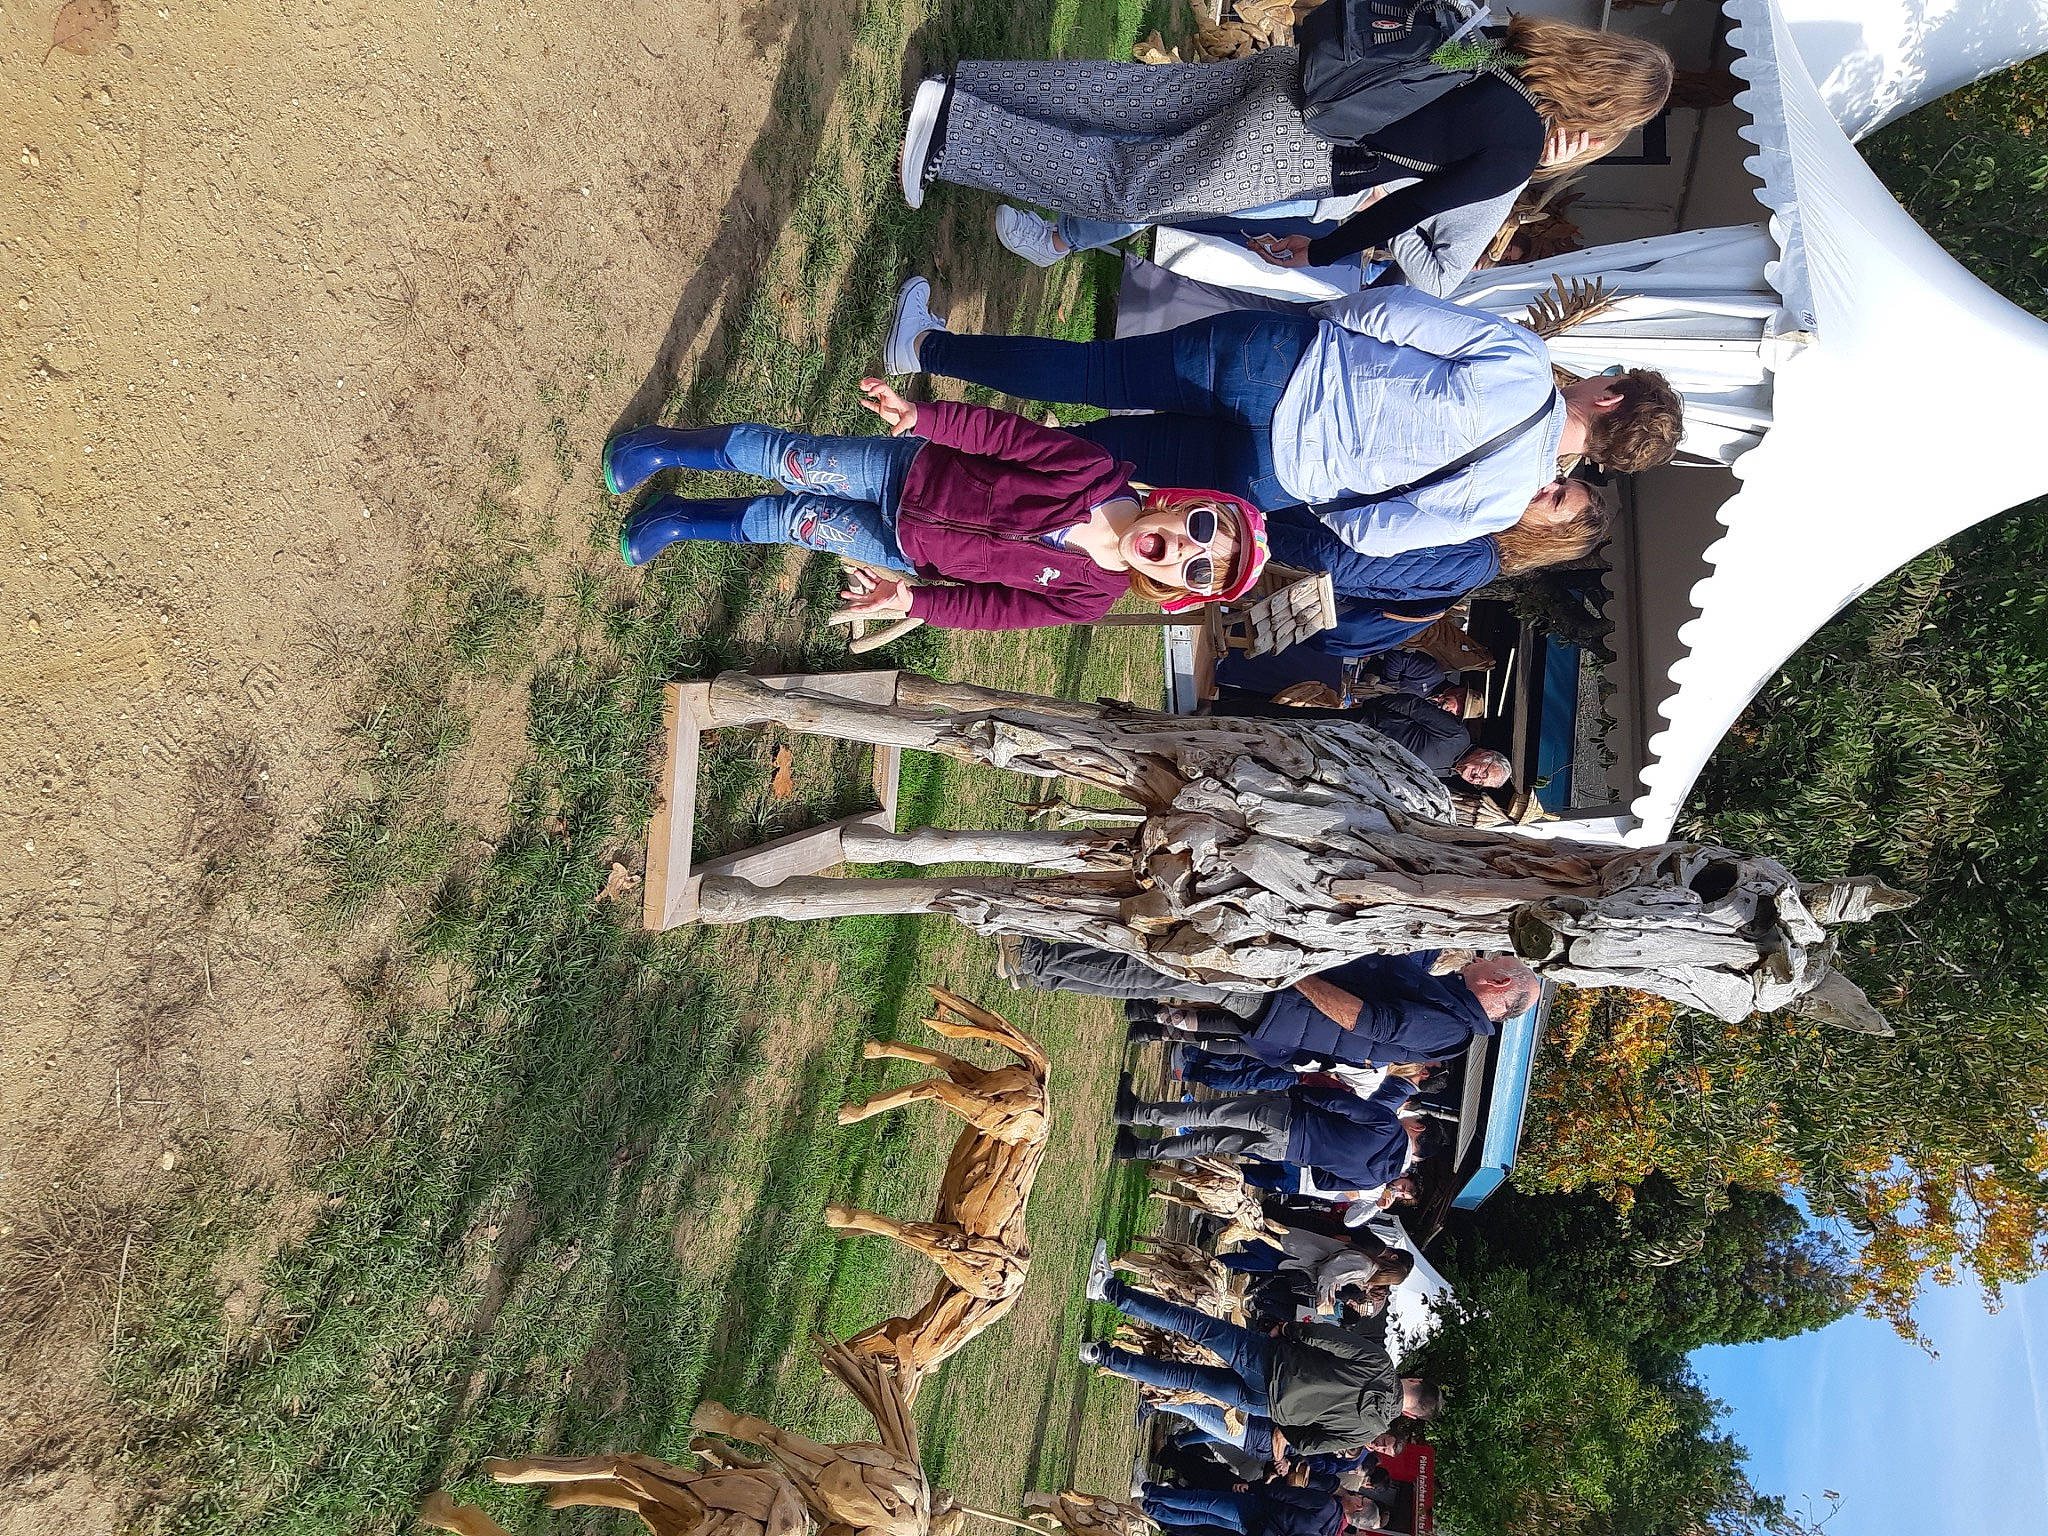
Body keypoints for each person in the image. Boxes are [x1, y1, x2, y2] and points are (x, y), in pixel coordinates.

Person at [883, 279, 1681, 550]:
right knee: (1096, 466)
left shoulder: (1523, 362)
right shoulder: (1507, 503)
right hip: (1275, 474)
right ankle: (921, 481)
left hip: (1279, 363)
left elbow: (1395, 312)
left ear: (1607, 398)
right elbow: (1374, 532)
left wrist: (1327, 321)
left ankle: (923, 349)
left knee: (1097, 371)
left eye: (1609, 376)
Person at [899, 17, 1672, 276]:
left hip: (1299, 77)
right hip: (1305, 146)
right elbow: (1412, 208)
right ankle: (953, 130)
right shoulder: (1516, 150)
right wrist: (1320, 254)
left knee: (1130, 97)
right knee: (1131, 189)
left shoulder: (1503, 45)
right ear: (1602, 116)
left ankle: (971, 86)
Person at [603, 380, 1267, 631]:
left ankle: (680, 518)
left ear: (1182, 589)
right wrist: (921, 416)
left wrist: (910, 601)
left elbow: (993, 611)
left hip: (904, 549)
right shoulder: (1091, 472)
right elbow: (1000, 435)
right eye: (1203, 530)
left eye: (1202, 570)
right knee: (791, 460)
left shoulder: (1090, 596)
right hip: (908, 469)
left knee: (793, 521)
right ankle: (661, 448)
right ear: (1183, 506)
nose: (1187, 551)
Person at [1080, 1247, 1441, 1461]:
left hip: (1274, 1362)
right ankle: (1102, 1356)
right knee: (1188, 1379)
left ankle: (1110, 1291)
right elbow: (1307, 1444)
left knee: (1196, 1326)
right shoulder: (1366, 1431)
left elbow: (1331, 1340)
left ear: (1415, 1381)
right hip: (1267, 1405)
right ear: (1411, 1413)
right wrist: (1286, 1419)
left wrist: (1289, 1329)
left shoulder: (1382, 1365)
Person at [1132, 951, 1539, 1071]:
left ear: (1499, 982)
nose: (1486, 957)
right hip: (1287, 1012)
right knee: (1178, 986)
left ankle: (1069, 968)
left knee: (1161, 976)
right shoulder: (1449, 1000)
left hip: (1284, 1006)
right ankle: (1153, 1020)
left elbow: (1366, 1020)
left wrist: (1298, 975)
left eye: (1498, 959)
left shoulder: (1452, 1031)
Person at [1112, 1072, 1437, 1198]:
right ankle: (1139, 1149)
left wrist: (1303, 1095)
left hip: (1293, 1118)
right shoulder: (1372, 1182)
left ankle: (1137, 1113)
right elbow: (1324, 1182)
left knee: (1208, 1113)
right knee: (1211, 1141)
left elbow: (1343, 1104)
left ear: (1418, 1129)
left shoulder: (1389, 1128)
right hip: (1290, 1152)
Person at [1137, 1481, 1382, 1536]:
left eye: (1358, 1497)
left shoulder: (1327, 1505)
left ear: (1358, 1507)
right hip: (1254, 1529)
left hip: (1258, 1508)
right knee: (1200, 1517)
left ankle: (1147, 1491)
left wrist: (1255, 1487)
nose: (1354, 1494)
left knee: (1202, 1501)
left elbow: (1286, 1494)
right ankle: (1151, 1510)